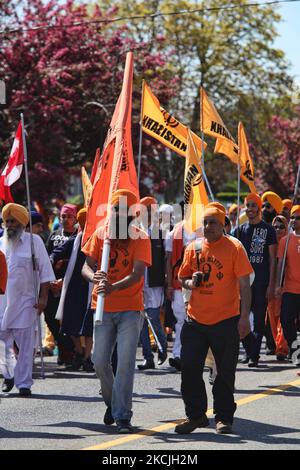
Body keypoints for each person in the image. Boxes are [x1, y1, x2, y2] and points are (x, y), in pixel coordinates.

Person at [175, 204, 253, 435]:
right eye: (205, 222)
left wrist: (244, 318)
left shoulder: (234, 247)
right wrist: (191, 282)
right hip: (195, 321)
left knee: (224, 372)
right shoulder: (194, 247)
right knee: (189, 368)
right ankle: (196, 416)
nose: (208, 227)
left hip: (226, 320)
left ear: (223, 225)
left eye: (213, 222)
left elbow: (244, 286)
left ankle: (223, 417)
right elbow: (182, 279)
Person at [82, 189, 151, 433]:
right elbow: (86, 267)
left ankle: (123, 416)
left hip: (130, 309)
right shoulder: (101, 233)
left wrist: (114, 287)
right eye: (116, 210)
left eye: (124, 212)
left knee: (125, 362)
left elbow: (137, 274)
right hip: (101, 307)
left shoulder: (141, 237)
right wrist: (95, 278)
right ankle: (113, 404)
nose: (119, 215)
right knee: (99, 362)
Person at [0, 203, 55, 396]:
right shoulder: (1, 242)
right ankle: (9, 375)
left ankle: (24, 383)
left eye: (13, 220)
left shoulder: (34, 242)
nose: (10, 224)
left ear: (22, 222)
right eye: (7, 221)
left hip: (25, 302)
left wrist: (43, 297)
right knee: (2, 343)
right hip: (3, 303)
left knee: (25, 346)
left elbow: (46, 273)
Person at [235, 193, 277, 366]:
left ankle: (253, 355)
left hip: (261, 282)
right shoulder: (239, 230)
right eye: (247, 205)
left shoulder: (268, 230)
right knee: (240, 317)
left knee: (259, 320)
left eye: (253, 205)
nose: (250, 209)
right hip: (243, 283)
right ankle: (251, 349)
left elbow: (273, 260)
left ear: (259, 208)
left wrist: (271, 285)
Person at [52, 208, 93, 372]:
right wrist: (50, 259)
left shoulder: (98, 239)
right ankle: (79, 350)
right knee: (69, 321)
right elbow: (57, 252)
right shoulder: (75, 240)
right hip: (74, 287)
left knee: (89, 324)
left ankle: (87, 357)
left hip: (91, 287)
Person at [44, 203, 78, 365]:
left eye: (69, 216)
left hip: (72, 285)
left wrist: (64, 280)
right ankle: (64, 347)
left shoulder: (80, 236)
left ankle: (73, 352)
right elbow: (47, 258)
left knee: (70, 320)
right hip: (52, 285)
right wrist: (50, 280)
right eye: (63, 216)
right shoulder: (54, 235)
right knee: (50, 317)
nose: (65, 219)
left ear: (75, 218)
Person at [137, 197, 167, 370]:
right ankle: (148, 358)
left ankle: (162, 348)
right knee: (140, 322)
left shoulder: (160, 231)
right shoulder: (134, 230)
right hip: (138, 281)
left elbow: (165, 258)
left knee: (154, 319)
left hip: (154, 283)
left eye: (151, 209)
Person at [275, 205, 300, 366]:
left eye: (298, 218)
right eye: (292, 217)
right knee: (285, 319)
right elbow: (280, 265)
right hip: (290, 289)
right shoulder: (285, 241)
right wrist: (278, 284)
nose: (294, 221)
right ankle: (295, 347)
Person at [267, 216, 289, 361]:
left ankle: (282, 347)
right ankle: (277, 345)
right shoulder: (270, 244)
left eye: (281, 227)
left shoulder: (289, 242)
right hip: (270, 284)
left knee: (284, 317)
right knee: (273, 316)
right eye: (275, 226)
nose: (278, 229)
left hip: (287, 284)